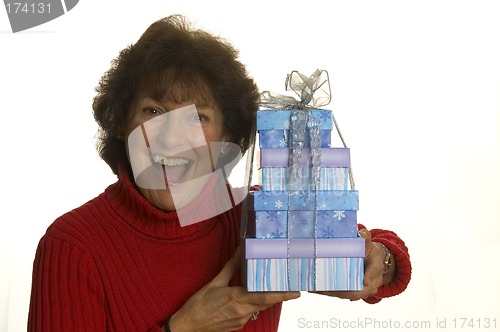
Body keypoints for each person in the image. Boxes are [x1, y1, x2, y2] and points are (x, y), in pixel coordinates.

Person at [28, 14, 412, 332]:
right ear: (121, 123)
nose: (173, 137)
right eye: (153, 111)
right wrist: (181, 328)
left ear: (228, 136)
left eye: (198, 117)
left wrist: (378, 258)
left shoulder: (257, 217)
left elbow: (381, 255)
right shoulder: (72, 246)